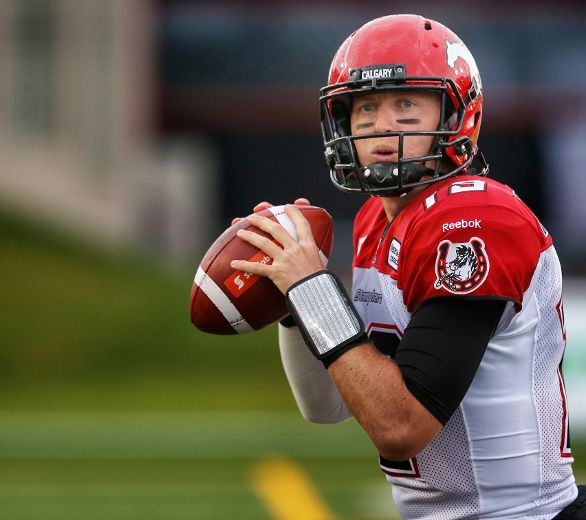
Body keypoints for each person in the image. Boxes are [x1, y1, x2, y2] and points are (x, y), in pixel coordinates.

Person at [230, 14, 585, 519]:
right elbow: (328, 406)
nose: (380, 124)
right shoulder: (378, 218)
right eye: (366, 107)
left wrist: (313, 289)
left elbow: (401, 428)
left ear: (458, 114)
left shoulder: (473, 219)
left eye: (405, 104)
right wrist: (295, 303)